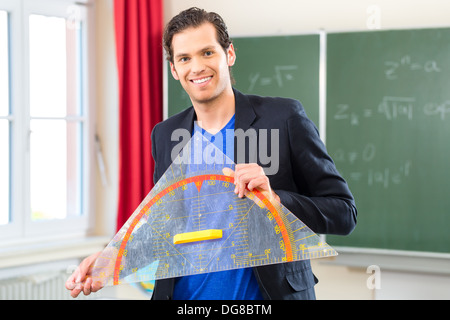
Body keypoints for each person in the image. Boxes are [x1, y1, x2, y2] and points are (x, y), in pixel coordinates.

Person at [66, 7, 357, 300]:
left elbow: (344, 213)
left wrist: (277, 200)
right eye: (184, 58)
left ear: (228, 54)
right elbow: (163, 228)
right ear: (174, 69)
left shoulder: (283, 117)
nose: (197, 67)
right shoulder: (165, 135)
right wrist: (112, 259)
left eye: (207, 53)